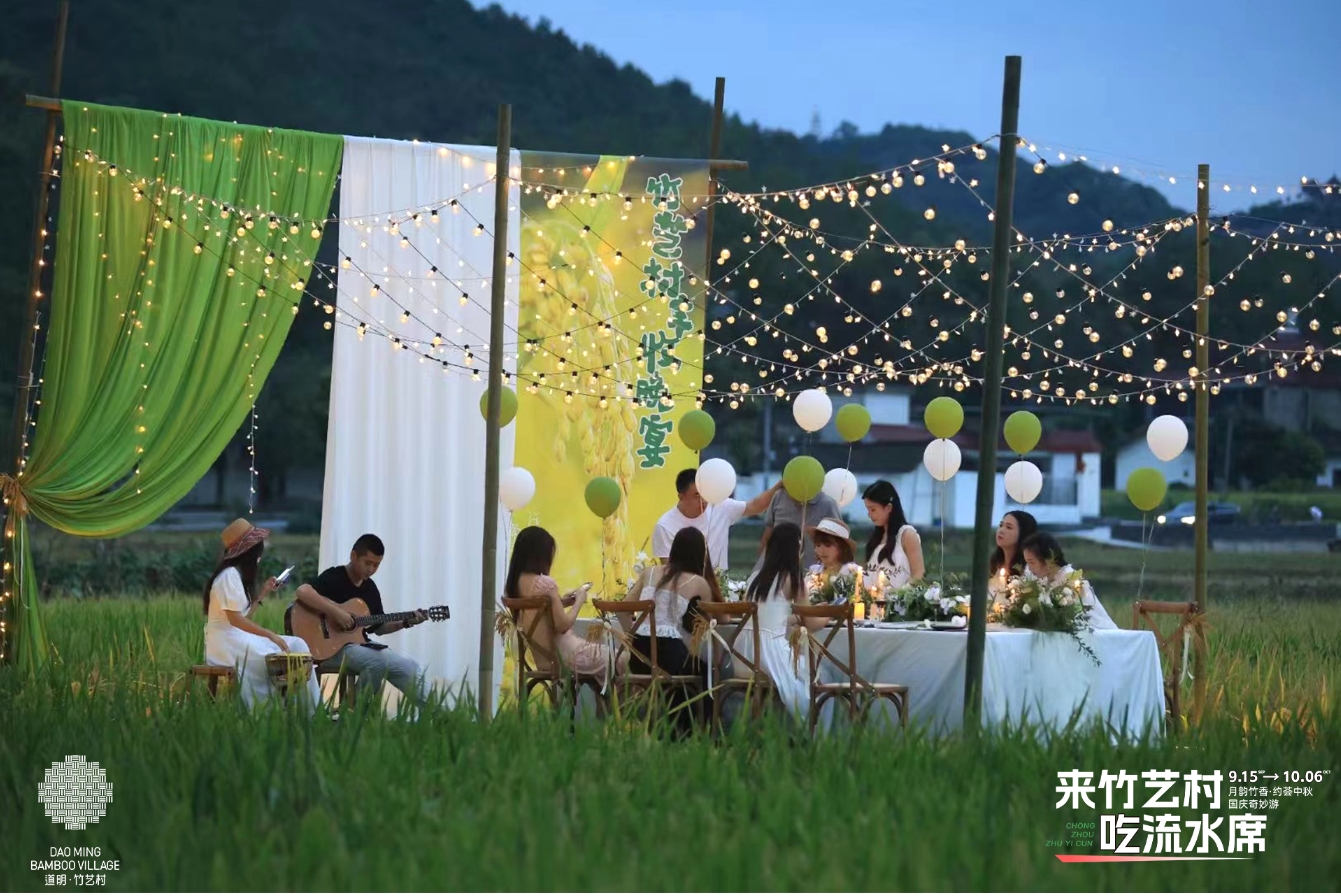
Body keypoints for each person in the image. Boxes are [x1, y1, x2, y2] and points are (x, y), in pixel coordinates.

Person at [294, 534, 430, 709]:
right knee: (377, 662)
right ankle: (353, 715)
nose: (371, 569)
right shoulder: (334, 576)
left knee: (409, 667)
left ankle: (437, 713)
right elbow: (302, 591)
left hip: (358, 645)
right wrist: (336, 612)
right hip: (327, 649)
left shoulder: (370, 589)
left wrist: (406, 622)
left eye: (376, 565)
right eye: (368, 563)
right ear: (354, 556)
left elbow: (379, 627)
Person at [203, 519, 322, 709]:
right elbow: (236, 620)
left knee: (298, 645)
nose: (260, 557)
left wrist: (264, 592)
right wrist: (270, 635)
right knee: (278, 657)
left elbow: (243, 617)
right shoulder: (229, 575)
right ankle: (292, 708)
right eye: (259, 552)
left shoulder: (235, 575)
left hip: (236, 638)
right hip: (226, 644)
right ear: (249, 552)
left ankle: (310, 707)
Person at [504, 526, 625, 685]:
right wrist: (579, 601)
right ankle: (619, 702)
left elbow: (539, 613)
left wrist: (562, 602)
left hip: (542, 659)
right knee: (621, 658)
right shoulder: (545, 584)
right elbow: (562, 625)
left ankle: (603, 699)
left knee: (608, 663)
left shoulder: (514, 586)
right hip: (566, 656)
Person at [735, 522, 811, 723]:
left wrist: (793, 618)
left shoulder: (755, 578)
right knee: (813, 671)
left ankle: (767, 721)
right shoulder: (793, 579)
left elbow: (766, 615)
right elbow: (811, 621)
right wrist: (830, 614)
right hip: (768, 654)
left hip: (743, 654)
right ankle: (812, 729)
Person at [652, 469, 780, 572]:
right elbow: (668, 570)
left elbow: (755, 506)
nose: (703, 500)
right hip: (686, 589)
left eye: (704, 493)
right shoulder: (665, 526)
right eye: (697, 495)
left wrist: (780, 485)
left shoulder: (720, 505)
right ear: (681, 497)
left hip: (719, 586)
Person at [1020, 531, 1117, 630]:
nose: (1029, 568)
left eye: (1032, 562)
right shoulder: (1037, 578)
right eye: (1027, 563)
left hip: (1093, 631)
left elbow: (1076, 617)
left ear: (1048, 559)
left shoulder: (1071, 579)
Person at [757, 486, 843, 571]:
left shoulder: (828, 504)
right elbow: (768, 535)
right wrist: (761, 568)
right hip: (777, 571)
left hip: (813, 573)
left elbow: (840, 542)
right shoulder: (779, 497)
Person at [861, 480, 924, 589]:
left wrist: (900, 594)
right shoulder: (876, 537)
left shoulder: (907, 534)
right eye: (868, 509)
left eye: (873, 509)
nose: (869, 514)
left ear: (888, 508)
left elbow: (918, 574)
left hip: (898, 597)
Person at [806, 518, 862, 602]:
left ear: (842, 547)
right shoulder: (813, 572)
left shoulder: (854, 572)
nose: (822, 551)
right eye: (818, 545)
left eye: (828, 545)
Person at [989, 510, 1038, 595]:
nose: (1001, 530)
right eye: (1001, 525)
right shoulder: (994, 564)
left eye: (1009, 527)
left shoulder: (1029, 570)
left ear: (1023, 533)